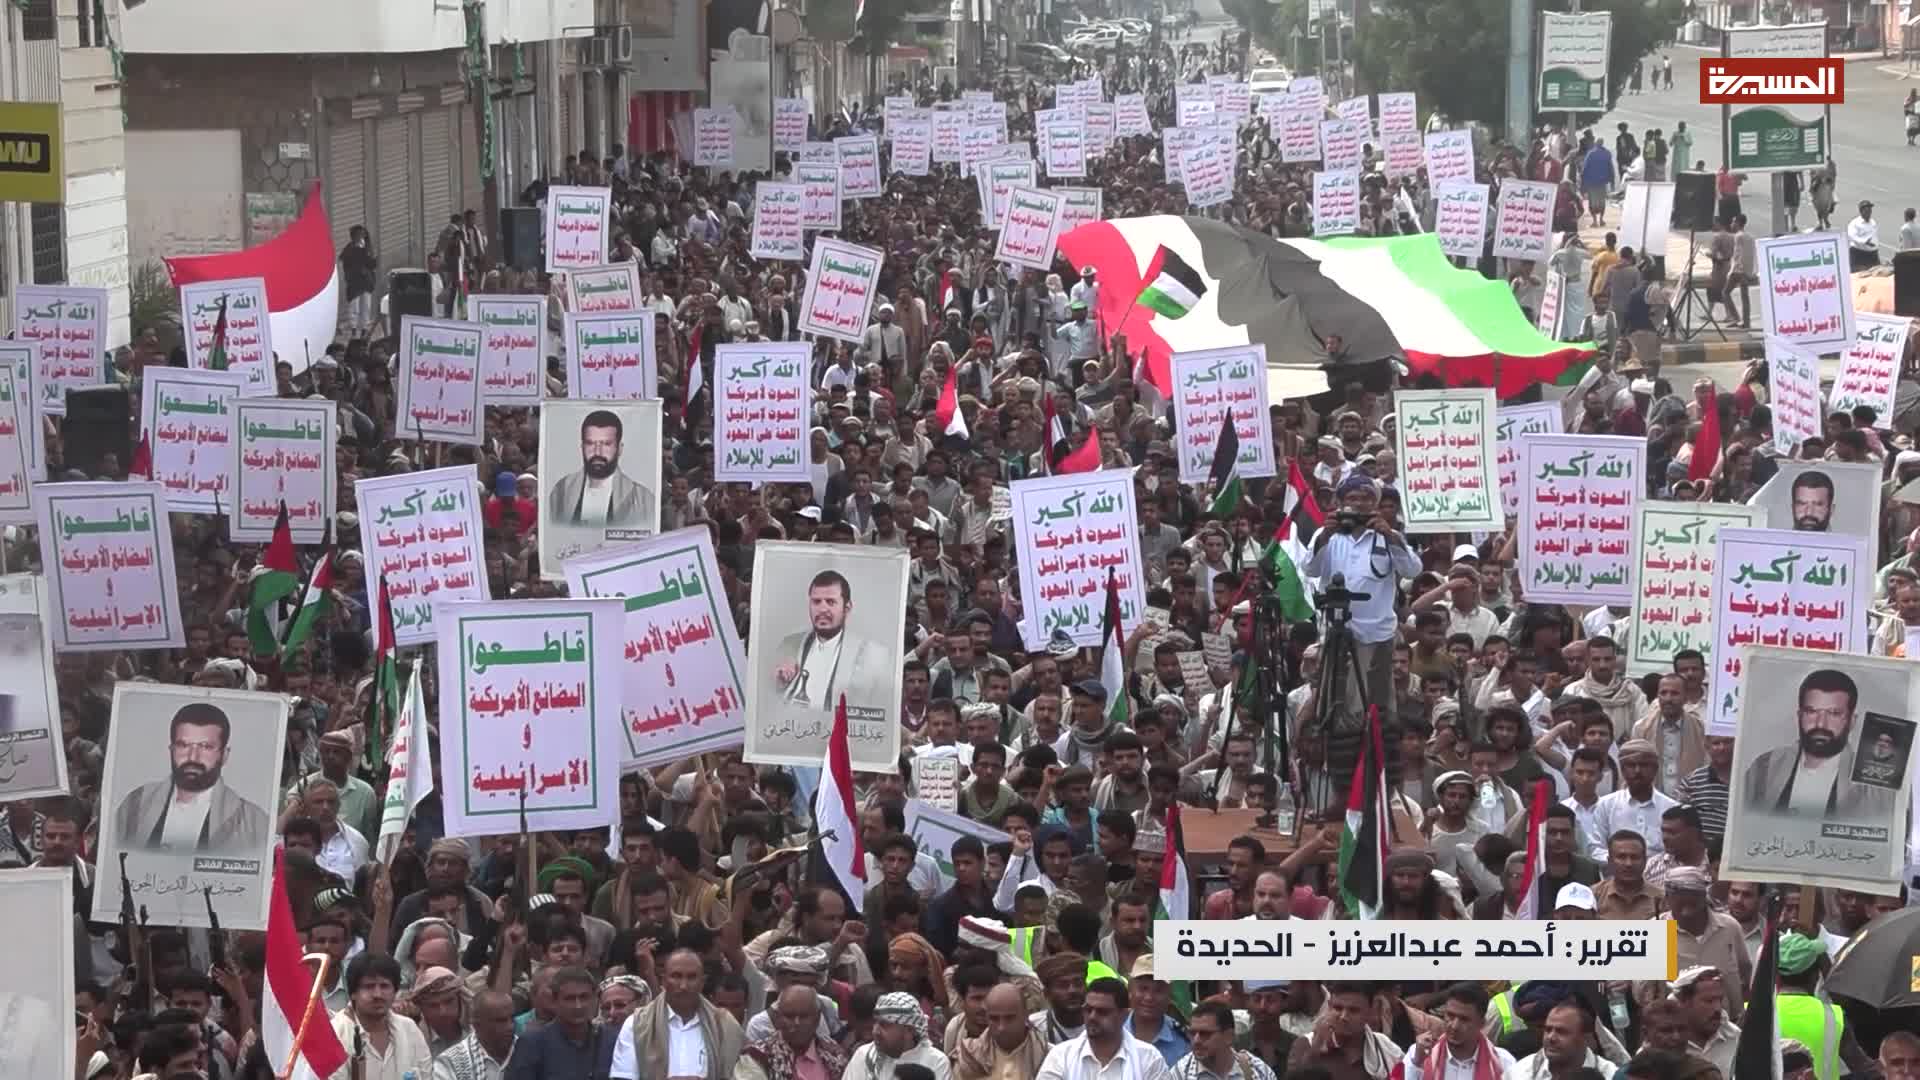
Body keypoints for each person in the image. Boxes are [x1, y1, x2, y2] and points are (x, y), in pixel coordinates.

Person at [112, 701, 271, 855]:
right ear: (171, 750)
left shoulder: (254, 822)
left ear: (224, 755)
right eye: (183, 745)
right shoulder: (135, 805)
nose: (193, 757)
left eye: (206, 747)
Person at [1742, 667, 1900, 818]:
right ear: (1799, 716)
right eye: (1811, 712)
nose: (1820, 724)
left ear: (1852, 721)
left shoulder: (1874, 785)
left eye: (1834, 713)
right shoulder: (1765, 767)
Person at [608, 950, 744, 1080]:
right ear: (663, 980)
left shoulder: (724, 1024)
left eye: (691, 977)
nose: (683, 986)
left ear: (702, 982)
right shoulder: (636, 1024)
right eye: (676, 976)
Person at [770, 569, 895, 709]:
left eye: (830, 602)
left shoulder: (873, 654)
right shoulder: (789, 644)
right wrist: (778, 680)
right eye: (816, 602)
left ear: (846, 608)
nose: (822, 609)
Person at [1034, 978, 1170, 1080]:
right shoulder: (1061, 1056)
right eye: (1088, 1010)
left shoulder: (1149, 1058)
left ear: (1124, 1015)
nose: (1092, 1017)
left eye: (1102, 1012)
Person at [546, 408, 656, 529]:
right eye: (590, 443)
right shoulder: (561, 492)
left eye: (606, 444)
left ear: (619, 448)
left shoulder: (643, 499)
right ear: (582, 447)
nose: (597, 452)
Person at [1401, 983, 1515, 1079]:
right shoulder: (1418, 1054)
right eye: (1450, 1015)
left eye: (1464, 1019)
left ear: (1481, 1023)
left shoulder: (1503, 1062)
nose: (1454, 1026)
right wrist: (1416, 1064)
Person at [432, 989, 517, 1080]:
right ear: (477, 1025)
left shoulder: (524, 1049)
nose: (510, 1026)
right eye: (500, 1021)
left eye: (512, 1018)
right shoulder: (450, 1062)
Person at [1847, 201, 1881, 271]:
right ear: (1861, 211)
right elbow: (1852, 236)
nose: (1869, 212)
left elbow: (1874, 235)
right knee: (1859, 275)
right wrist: (1865, 242)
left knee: (1876, 274)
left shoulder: (1873, 222)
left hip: (1873, 254)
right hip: (1859, 254)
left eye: (1870, 210)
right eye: (1867, 210)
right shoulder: (1855, 223)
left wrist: (1875, 245)